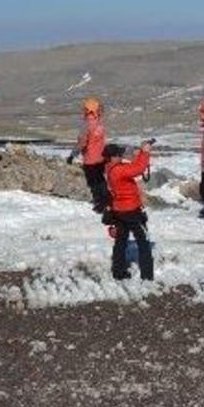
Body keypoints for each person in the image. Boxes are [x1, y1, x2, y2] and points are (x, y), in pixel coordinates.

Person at [104, 140, 154, 281]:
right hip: (131, 211)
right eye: (118, 154)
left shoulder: (111, 167)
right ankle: (147, 276)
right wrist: (145, 152)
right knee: (143, 241)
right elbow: (138, 169)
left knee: (121, 241)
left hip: (119, 210)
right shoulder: (119, 170)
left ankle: (118, 273)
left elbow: (133, 166)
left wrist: (140, 154)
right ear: (112, 157)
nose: (121, 156)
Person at [66, 97, 110, 213]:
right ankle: (107, 201)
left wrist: (72, 155)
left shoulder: (87, 125)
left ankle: (99, 204)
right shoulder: (99, 123)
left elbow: (82, 143)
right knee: (101, 180)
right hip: (101, 157)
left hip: (90, 159)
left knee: (93, 182)